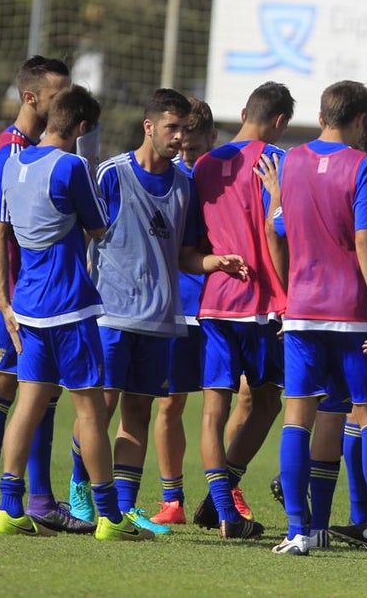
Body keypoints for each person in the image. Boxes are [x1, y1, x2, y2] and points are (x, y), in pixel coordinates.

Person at [68, 89, 248, 535]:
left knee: (139, 416)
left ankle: (124, 510)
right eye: (172, 127)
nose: (181, 138)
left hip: (159, 320)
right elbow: (85, 236)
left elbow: (186, 255)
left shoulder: (186, 185)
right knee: (99, 411)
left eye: (186, 129)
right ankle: (79, 490)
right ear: (149, 126)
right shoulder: (111, 175)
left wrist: (213, 262)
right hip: (111, 316)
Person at [0, 85, 152, 541]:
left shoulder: (11, 162)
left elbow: (3, 232)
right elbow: (99, 226)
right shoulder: (73, 166)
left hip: (28, 304)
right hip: (70, 306)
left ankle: (8, 508)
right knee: (90, 411)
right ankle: (109, 517)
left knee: (28, 404)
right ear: (81, 128)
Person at [270, 80, 367, 560]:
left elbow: (277, 231)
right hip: (350, 310)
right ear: (361, 121)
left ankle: (297, 531)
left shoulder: (290, 161)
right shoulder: (364, 166)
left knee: (298, 418)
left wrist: (288, 294)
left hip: (303, 310)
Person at [0, 57, 93, 534]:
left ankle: (39, 499)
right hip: (9, 294)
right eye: (57, 94)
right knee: (0, 387)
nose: (63, 102)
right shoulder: (9, 154)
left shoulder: (40, 153)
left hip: (35, 295)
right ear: (31, 98)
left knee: (42, 392)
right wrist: (4, 299)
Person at [191, 81, 294, 539]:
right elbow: (286, 232)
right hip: (266, 304)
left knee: (214, 410)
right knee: (270, 400)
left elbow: (193, 239)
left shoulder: (203, 166)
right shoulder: (280, 162)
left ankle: (222, 507)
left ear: (244, 111)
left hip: (216, 300)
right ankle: (227, 493)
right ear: (279, 122)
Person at [149, 97, 218, 525]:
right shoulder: (169, 178)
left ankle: (224, 493)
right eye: (180, 137)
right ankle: (172, 500)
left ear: (211, 136)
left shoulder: (225, 177)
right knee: (170, 403)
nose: (185, 147)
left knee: (229, 402)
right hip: (176, 307)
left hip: (221, 308)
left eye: (194, 140)